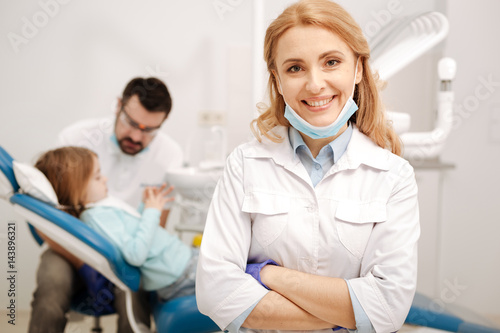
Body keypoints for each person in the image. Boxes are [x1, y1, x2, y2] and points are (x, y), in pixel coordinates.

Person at [195, 1, 420, 333]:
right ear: (278, 79)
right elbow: (216, 294)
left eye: (331, 62)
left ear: (358, 69)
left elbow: (387, 307)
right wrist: (352, 312)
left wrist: (267, 274)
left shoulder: (394, 177)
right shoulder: (245, 165)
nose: (315, 84)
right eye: (295, 68)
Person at [28, 77, 184, 333]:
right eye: (131, 123)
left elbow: (156, 226)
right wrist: (88, 262)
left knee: (134, 288)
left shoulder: (170, 155)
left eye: (148, 130)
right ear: (118, 106)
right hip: (71, 247)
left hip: (128, 254)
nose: (136, 135)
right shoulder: (76, 138)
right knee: (52, 282)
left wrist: (117, 264)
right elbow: (44, 217)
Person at [34, 146, 198, 301]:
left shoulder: (100, 209)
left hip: (183, 264)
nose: (105, 179)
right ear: (77, 190)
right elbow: (136, 255)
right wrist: (152, 211)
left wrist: (145, 206)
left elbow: (134, 235)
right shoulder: (97, 217)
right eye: (97, 177)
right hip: (181, 274)